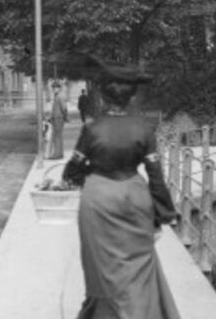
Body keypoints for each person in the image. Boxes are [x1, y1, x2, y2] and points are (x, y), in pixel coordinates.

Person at [62, 114, 180, 319]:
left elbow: (72, 171)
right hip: (134, 196)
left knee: (101, 268)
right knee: (139, 266)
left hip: (97, 199)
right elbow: (156, 176)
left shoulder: (92, 129)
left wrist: (93, 172)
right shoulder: (143, 128)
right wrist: (164, 215)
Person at [48, 83, 67, 159]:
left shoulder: (60, 96)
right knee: (58, 136)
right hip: (56, 118)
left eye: (56, 88)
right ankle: (60, 153)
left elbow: (64, 108)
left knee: (57, 136)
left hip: (58, 118)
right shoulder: (57, 96)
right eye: (53, 88)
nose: (54, 89)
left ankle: (57, 154)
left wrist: (64, 117)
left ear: (59, 88)